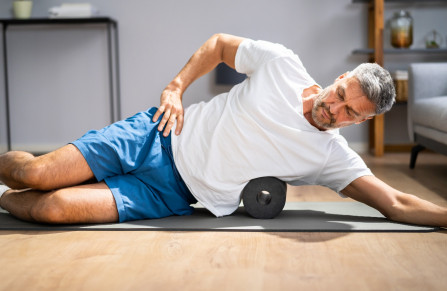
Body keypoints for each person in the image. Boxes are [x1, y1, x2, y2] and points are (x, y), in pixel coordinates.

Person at [0, 33, 446, 227]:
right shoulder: (282, 66)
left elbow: (397, 201)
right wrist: (175, 87)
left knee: (53, 208)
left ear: (363, 122)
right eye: (342, 93)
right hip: (157, 134)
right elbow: (217, 45)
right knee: (35, 176)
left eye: (351, 113)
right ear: (341, 77)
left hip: (170, 194)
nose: (335, 109)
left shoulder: (330, 157)